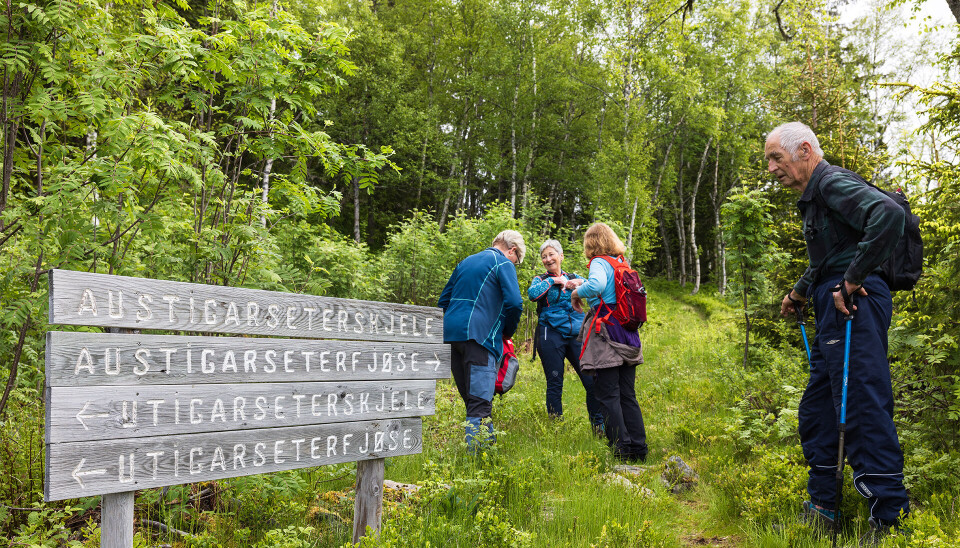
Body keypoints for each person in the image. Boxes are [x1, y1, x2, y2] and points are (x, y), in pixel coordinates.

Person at [767, 121, 909, 540]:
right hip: (835, 304)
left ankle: (889, 518)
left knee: (861, 402)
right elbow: (828, 257)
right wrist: (797, 293)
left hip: (854, 305)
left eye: (777, 157)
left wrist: (851, 279)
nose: (772, 168)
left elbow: (889, 214)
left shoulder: (831, 183)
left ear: (804, 150)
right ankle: (823, 508)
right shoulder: (816, 197)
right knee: (819, 409)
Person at [438, 230, 525, 452]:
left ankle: (486, 453)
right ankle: (478, 464)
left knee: (472, 400)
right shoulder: (503, 263)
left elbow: (443, 301)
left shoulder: (465, 262)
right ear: (511, 250)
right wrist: (506, 332)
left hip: (451, 337)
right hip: (480, 338)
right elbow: (515, 303)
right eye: (516, 260)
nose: (514, 263)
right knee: (480, 402)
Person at [570, 223, 647, 462]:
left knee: (607, 393)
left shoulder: (598, 262)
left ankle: (621, 450)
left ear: (591, 243)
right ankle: (638, 448)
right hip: (628, 332)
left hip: (607, 332)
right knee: (627, 394)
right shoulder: (621, 262)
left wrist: (576, 293)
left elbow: (597, 285)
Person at [527, 240, 605, 430]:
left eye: (551, 254)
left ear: (561, 256)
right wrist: (553, 281)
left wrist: (579, 283)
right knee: (555, 381)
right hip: (549, 334)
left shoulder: (573, 276)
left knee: (592, 380)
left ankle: (598, 426)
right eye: (544, 256)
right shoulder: (540, 279)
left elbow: (596, 289)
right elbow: (532, 294)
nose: (548, 259)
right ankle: (556, 428)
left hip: (577, 334)